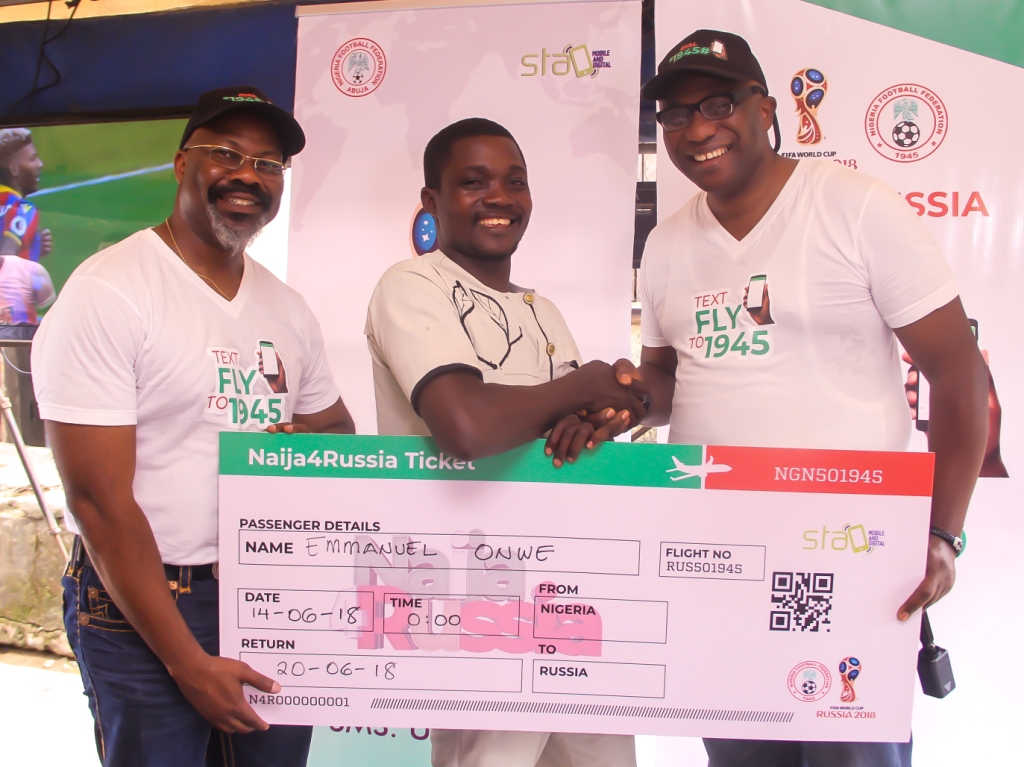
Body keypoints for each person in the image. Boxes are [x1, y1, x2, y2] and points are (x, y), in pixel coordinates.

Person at [624, 30, 988, 767]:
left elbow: (958, 374)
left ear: (765, 110)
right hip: (717, 560)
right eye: (676, 116)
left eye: (717, 105)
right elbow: (666, 380)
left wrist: (942, 535)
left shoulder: (856, 208)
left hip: (851, 555)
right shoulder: (665, 244)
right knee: (741, 755)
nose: (696, 130)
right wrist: (622, 402)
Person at [31, 86, 355, 767]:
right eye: (226, 154)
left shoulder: (287, 308)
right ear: (183, 164)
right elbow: (98, 504)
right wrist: (186, 661)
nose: (248, 175)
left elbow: (335, 430)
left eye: (267, 164)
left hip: (266, 595)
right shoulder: (110, 292)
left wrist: (305, 447)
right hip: (143, 606)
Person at [364, 118, 643, 767]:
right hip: (470, 595)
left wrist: (597, 411)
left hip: (567, 591)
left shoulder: (544, 310)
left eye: (514, 182)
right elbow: (467, 426)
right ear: (431, 201)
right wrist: (582, 385)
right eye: (474, 182)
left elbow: (581, 420)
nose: (499, 196)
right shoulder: (412, 284)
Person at [0, 128, 52, 261]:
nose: (40, 164)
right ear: (14, 169)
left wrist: (32, 248)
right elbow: (6, 259)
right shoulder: (21, 209)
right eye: (32, 159)